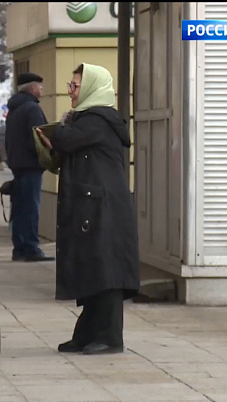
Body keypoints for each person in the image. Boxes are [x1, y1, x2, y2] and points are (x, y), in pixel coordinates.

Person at [37, 63, 140, 355]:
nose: (70, 91)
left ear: (92, 88)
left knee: (106, 272)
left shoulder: (97, 119)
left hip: (105, 207)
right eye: (70, 85)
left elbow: (68, 139)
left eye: (75, 86)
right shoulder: (87, 119)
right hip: (93, 205)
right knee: (93, 269)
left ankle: (109, 338)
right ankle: (86, 334)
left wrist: (55, 135)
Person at [4, 72, 55, 262]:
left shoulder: (14, 109)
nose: (42, 90)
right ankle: (32, 248)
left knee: (19, 208)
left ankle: (19, 248)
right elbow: (39, 138)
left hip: (17, 164)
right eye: (40, 87)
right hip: (31, 165)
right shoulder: (32, 109)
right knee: (31, 208)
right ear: (33, 87)